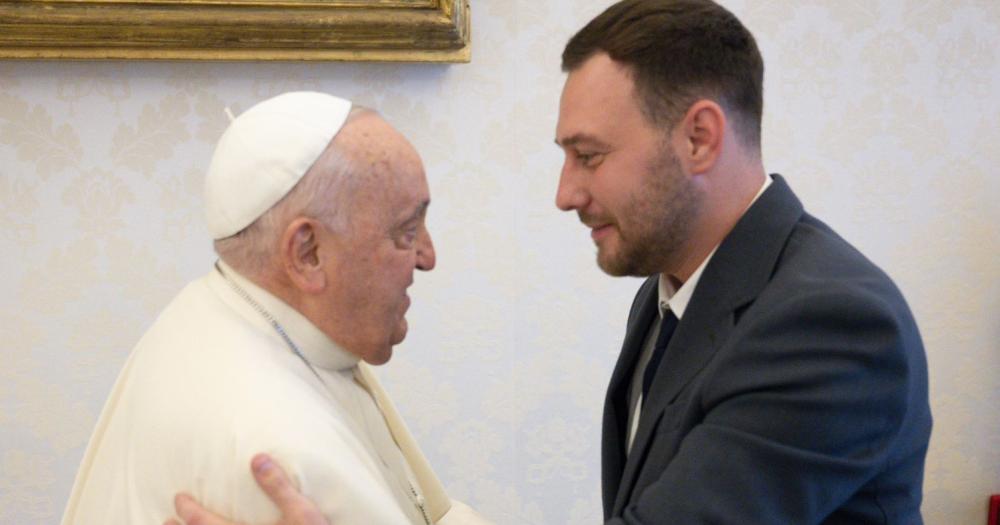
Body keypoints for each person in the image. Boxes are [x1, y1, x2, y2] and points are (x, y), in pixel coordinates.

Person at [167, 1, 932, 523]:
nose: (566, 193)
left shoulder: (830, 324)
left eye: (588, 156)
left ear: (699, 137)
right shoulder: (671, 289)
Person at [61, 91, 484, 525]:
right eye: (407, 231)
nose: (428, 257)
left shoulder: (212, 311)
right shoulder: (280, 456)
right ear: (308, 253)